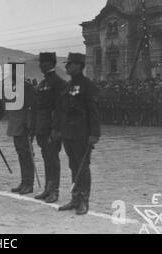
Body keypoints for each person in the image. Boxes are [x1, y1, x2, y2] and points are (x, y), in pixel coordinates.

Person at [58, 53, 100, 215]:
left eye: (70, 64)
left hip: (82, 133)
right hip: (68, 132)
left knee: (83, 167)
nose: (67, 67)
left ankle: (84, 201)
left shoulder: (88, 86)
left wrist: (94, 134)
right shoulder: (68, 86)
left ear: (79, 65)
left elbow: (94, 112)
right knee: (73, 166)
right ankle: (75, 199)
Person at [33, 52, 66, 203]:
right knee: (46, 158)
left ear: (50, 64)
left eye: (43, 62)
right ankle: (47, 188)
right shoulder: (43, 83)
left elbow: (60, 109)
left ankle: (54, 191)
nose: (40, 65)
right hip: (42, 127)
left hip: (51, 128)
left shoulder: (58, 83)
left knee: (53, 159)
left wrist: (56, 129)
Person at [6, 61, 36, 195]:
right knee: (21, 154)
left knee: (26, 154)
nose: (10, 73)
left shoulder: (26, 87)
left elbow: (31, 107)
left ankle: (29, 184)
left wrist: (29, 124)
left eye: (13, 71)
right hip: (15, 125)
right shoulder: (13, 86)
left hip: (24, 126)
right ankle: (24, 182)